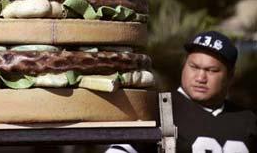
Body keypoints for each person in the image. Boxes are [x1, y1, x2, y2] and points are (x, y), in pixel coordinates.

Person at [107, 31, 257, 153]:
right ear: (184, 65)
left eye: (212, 70)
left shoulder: (248, 120)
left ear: (230, 76)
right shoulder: (156, 108)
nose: (200, 78)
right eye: (194, 67)